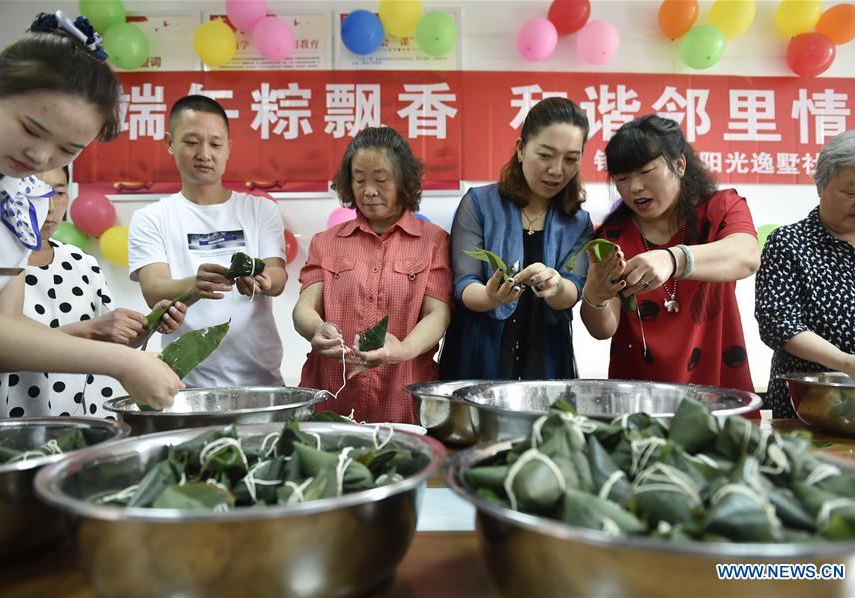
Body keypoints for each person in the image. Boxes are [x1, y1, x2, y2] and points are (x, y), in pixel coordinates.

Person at [0, 12, 181, 410]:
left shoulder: (22, 200)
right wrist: (119, 361)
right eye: (31, 129)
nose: (40, 156)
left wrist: (124, 353)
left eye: (68, 150)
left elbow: (1, 330)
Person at [0, 166, 186, 419]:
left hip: (90, 419)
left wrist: (145, 325)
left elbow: (112, 340)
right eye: (36, 192)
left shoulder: (80, 260)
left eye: (59, 193)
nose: (50, 207)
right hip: (14, 420)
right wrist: (91, 330)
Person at [580, 114, 759, 392]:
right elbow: (604, 329)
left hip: (718, 393)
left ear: (679, 164)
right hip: (640, 400)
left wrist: (673, 258)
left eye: (646, 172)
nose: (634, 187)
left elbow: (747, 256)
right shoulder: (612, 237)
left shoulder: (722, 208)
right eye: (623, 178)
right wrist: (595, 298)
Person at [293, 126, 452, 423]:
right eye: (359, 180)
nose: (368, 191)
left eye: (381, 180)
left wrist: (401, 350)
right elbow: (304, 307)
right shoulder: (325, 242)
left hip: (402, 398)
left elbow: (438, 314)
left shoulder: (434, 242)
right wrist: (316, 329)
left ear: (404, 181)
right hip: (331, 397)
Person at [129, 95, 288, 388]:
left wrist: (264, 280)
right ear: (169, 143)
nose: (204, 153)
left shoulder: (260, 210)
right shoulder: (151, 217)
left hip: (261, 381)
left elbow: (278, 275)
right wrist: (195, 286)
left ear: (229, 148)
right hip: (185, 384)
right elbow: (153, 290)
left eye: (215, 144)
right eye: (191, 142)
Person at [439, 97, 593, 380]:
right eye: (545, 155)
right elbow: (464, 283)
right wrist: (489, 296)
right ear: (521, 149)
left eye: (571, 159)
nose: (557, 170)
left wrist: (557, 286)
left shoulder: (578, 221)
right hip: (479, 348)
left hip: (545, 352)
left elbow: (574, 290)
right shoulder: (479, 204)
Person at [755, 128, 855, 418]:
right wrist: (843, 362)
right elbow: (777, 322)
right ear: (821, 186)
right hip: (809, 405)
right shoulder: (789, 243)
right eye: (852, 190)